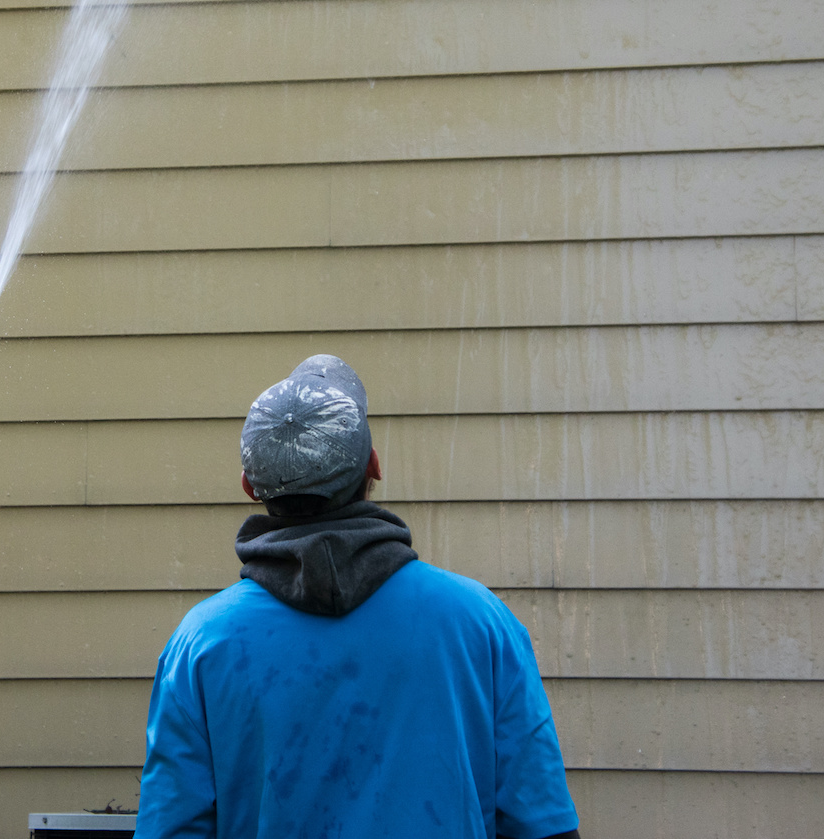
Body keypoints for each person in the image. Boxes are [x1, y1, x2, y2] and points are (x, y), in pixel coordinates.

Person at [135, 356, 581, 839]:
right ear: (373, 465)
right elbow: (544, 825)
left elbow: (172, 827)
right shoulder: (479, 621)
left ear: (250, 486)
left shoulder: (200, 643)